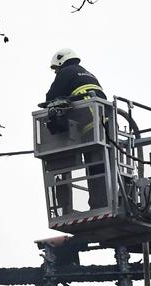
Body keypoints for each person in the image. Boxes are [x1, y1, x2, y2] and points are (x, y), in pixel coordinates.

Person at [42, 48, 110, 213]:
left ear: (60, 61)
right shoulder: (88, 73)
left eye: (56, 68)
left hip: (88, 123)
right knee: (102, 166)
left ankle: (98, 205)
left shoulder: (66, 72)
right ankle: (104, 202)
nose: (56, 72)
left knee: (93, 166)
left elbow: (51, 97)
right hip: (105, 125)